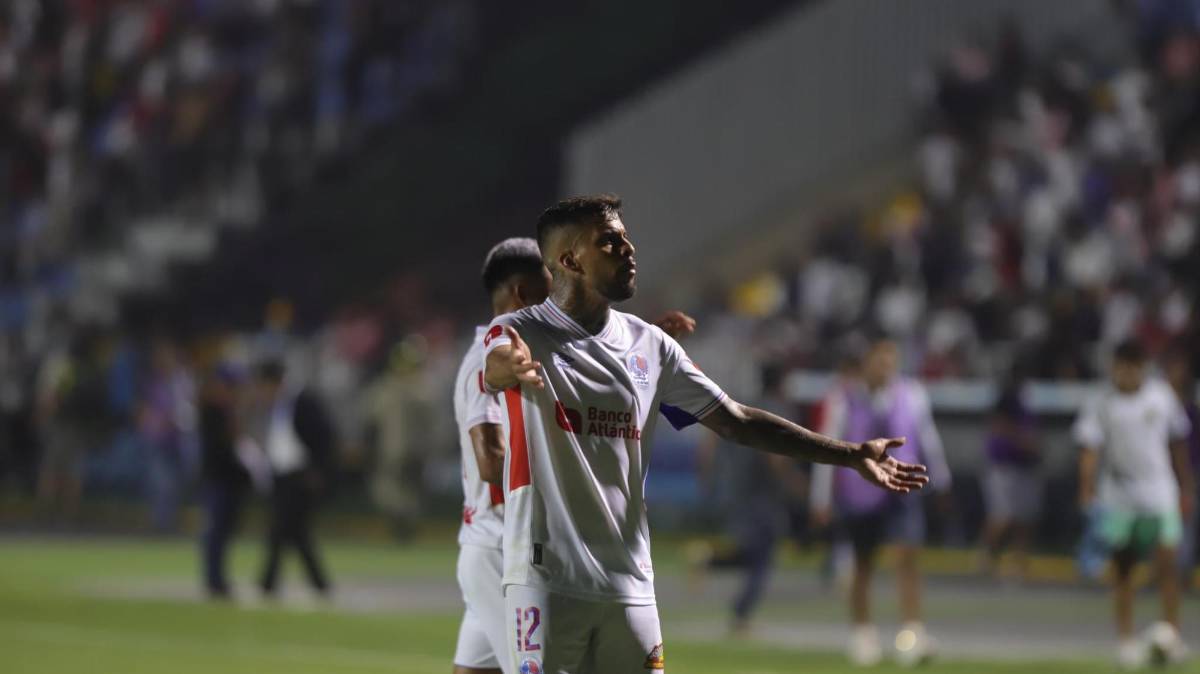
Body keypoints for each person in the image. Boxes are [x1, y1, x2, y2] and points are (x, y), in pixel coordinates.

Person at [483, 194, 927, 674]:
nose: (628, 248)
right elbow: (497, 364)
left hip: (630, 587)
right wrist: (507, 367)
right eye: (609, 241)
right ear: (569, 260)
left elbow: (736, 420)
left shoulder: (651, 345)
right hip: (546, 585)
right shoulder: (521, 330)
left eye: (626, 237)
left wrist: (850, 454)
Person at [452, 237, 697, 674]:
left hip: (489, 545)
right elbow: (491, 460)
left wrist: (644, 343)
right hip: (503, 548)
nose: (559, 296)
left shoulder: (530, 347)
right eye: (549, 286)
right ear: (523, 294)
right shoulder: (490, 361)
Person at [809, 336, 952, 666]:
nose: (886, 368)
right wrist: (821, 498)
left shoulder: (912, 394)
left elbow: (927, 436)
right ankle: (863, 634)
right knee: (863, 563)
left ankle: (912, 634)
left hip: (902, 488)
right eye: (880, 361)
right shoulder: (844, 398)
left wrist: (942, 480)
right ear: (866, 363)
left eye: (892, 361)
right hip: (860, 493)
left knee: (907, 558)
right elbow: (824, 447)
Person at [1074, 340, 1193, 668]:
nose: (1125, 374)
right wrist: (1086, 489)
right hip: (1120, 495)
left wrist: (1186, 487)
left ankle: (1171, 636)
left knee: (1168, 566)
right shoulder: (1101, 401)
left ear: (1142, 367)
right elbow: (1089, 448)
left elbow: (1178, 443)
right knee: (1123, 568)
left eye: (1132, 366)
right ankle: (1125, 640)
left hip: (1159, 493)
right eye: (1120, 366)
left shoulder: (1161, 396)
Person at [686, 365, 808, 637]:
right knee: (763, 559)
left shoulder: (742, 403)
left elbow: (710, 439)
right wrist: (796, 485)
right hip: (764, 496)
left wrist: (708, 473)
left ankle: (709, 561)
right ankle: (741, 616)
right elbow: (775, 457)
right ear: (782, 384)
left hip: (739, 491)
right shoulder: (776, 410)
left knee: (752, 553)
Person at [254, 360, 336, 600]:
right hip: (282, 477)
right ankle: (320, 584)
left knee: (280, 530)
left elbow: (324, 436)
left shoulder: (303, 402)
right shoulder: (280, 405)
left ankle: (267, 584)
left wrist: (317, 470)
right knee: (297, 533)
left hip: (299, 476)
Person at [978, 375, 1040, 581]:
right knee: (1000, 517)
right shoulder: (1004, 405)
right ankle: (987, 559)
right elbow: (1002, 429)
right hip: (1003, 469)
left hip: (1024, 468)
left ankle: (1019, 564)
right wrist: (1022, 441)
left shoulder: (1027, 410)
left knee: (1023, 520)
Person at [198, 363, 250, 600]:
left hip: (232, 481)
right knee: (216, 531)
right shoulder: (212, 412)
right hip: (219, 478)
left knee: (224, 532)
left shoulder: (230, 412)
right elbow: (223, 449)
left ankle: (218, 579)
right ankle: (214, 580)